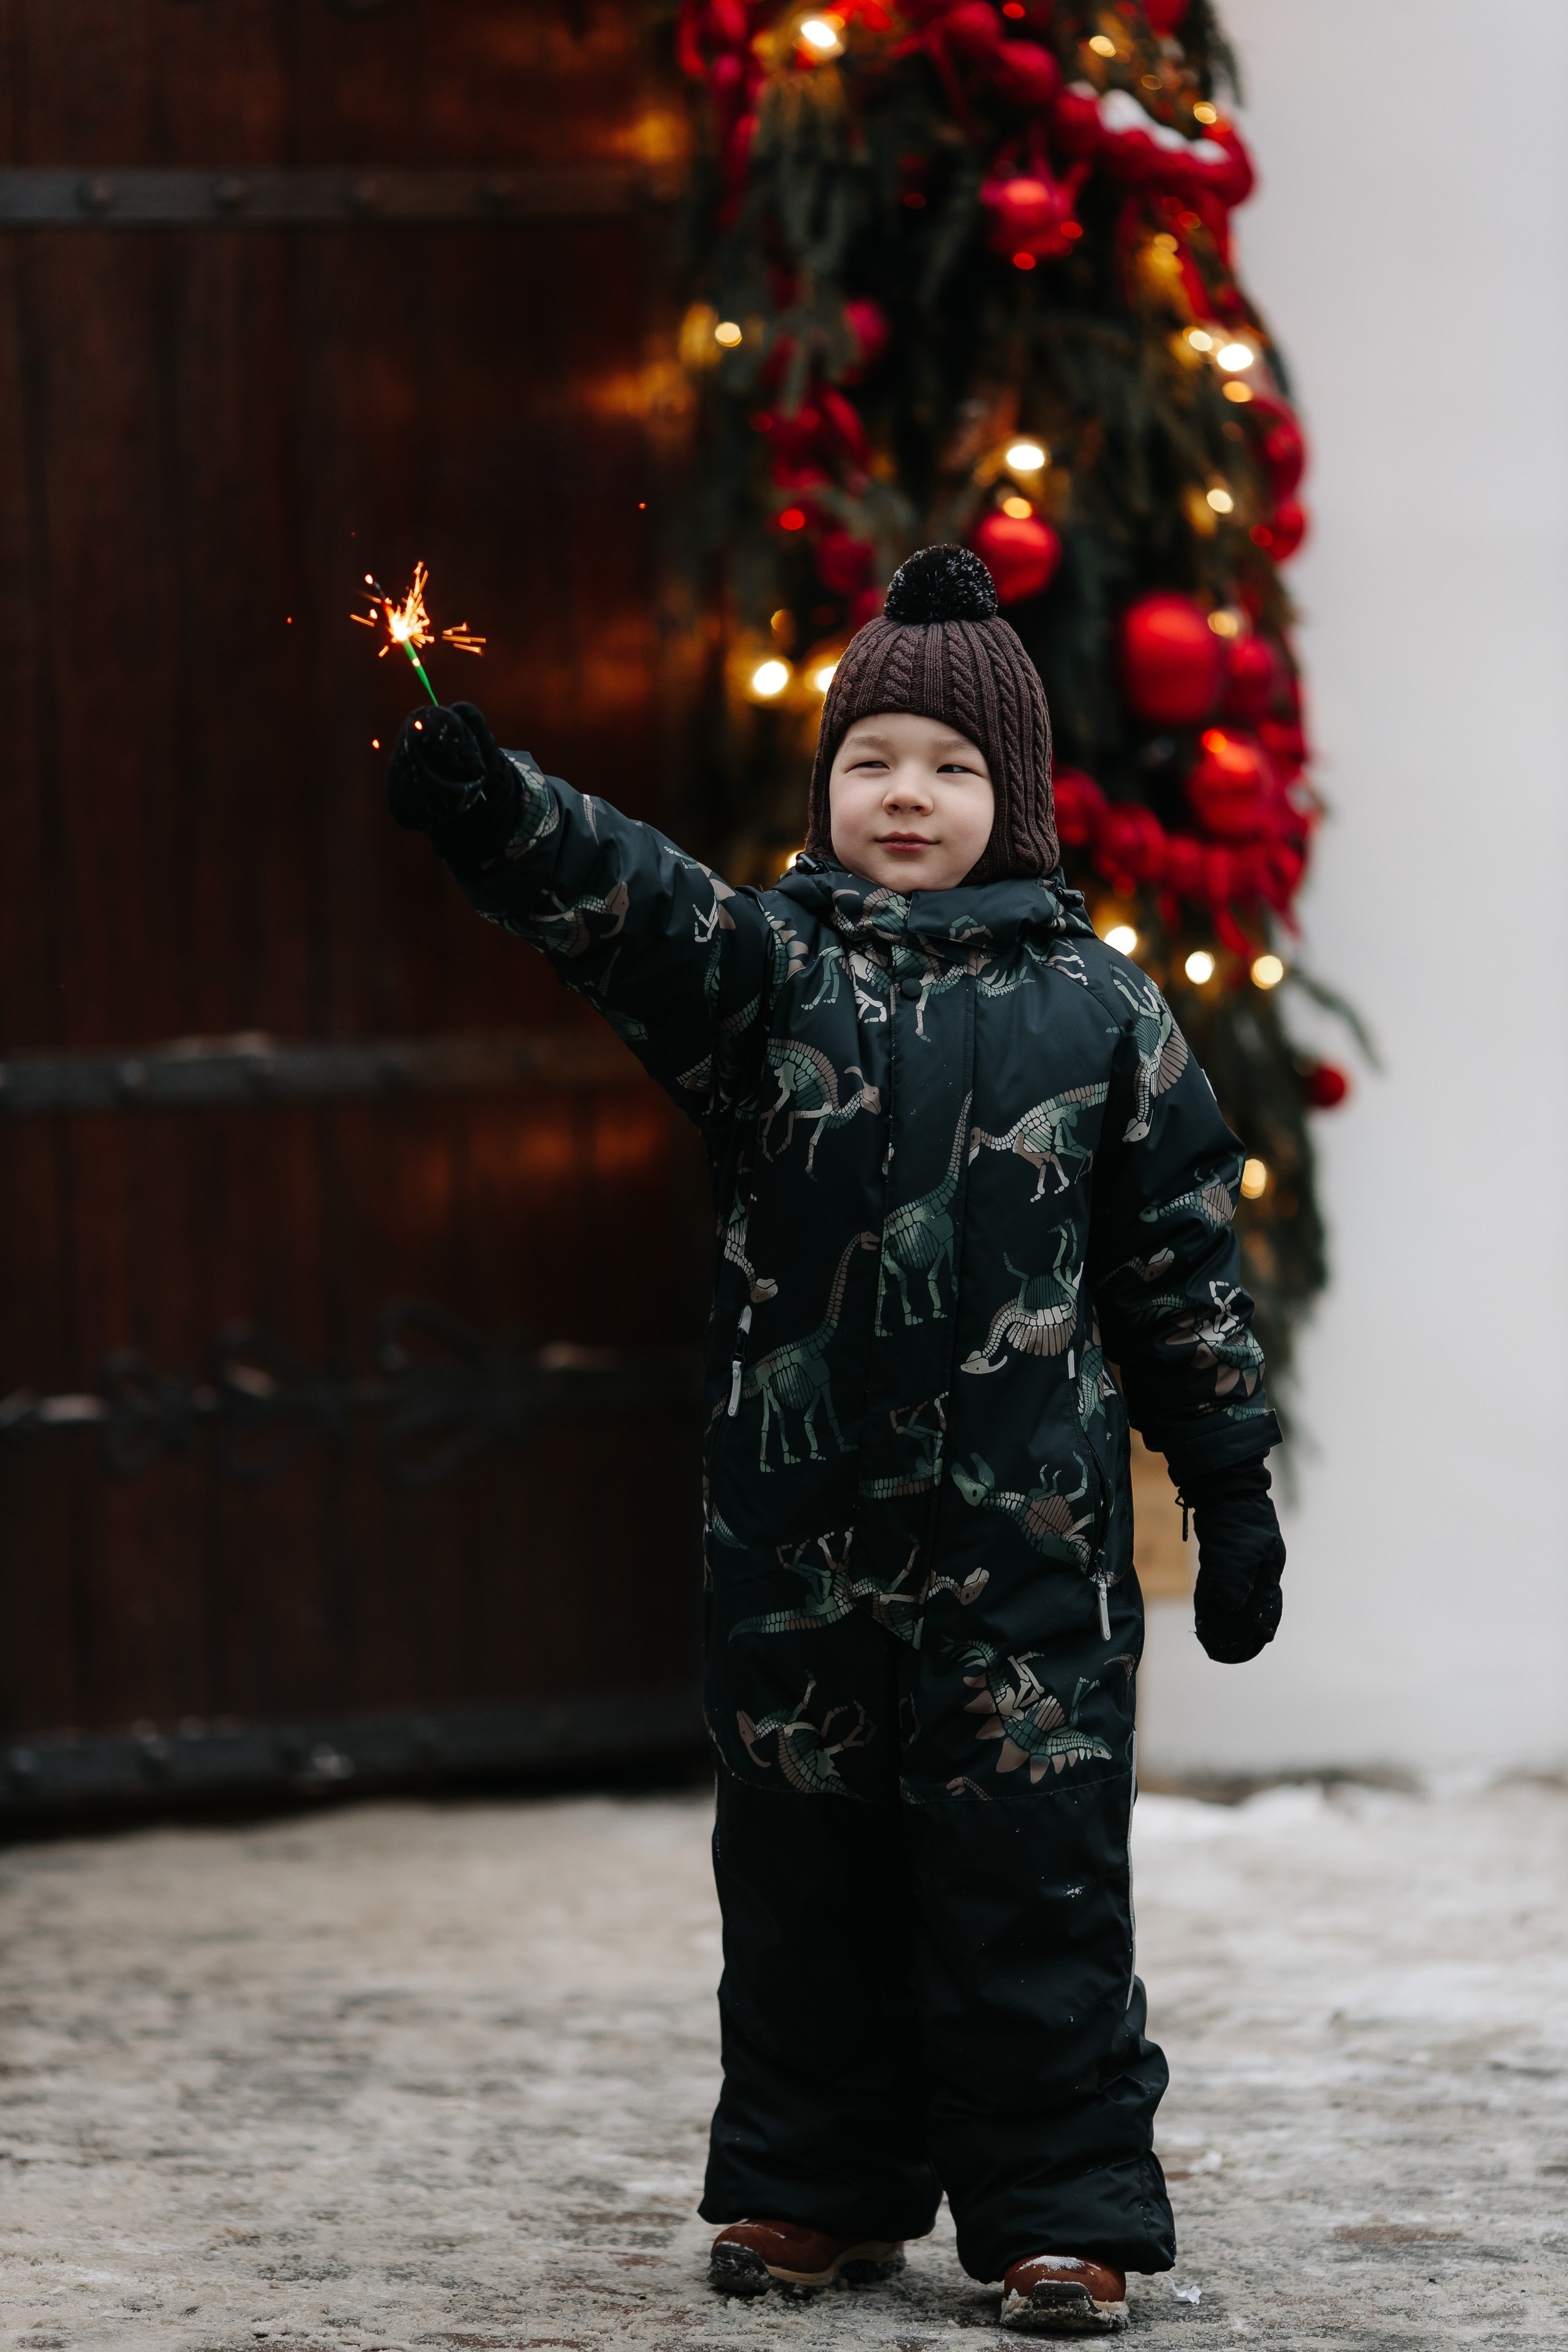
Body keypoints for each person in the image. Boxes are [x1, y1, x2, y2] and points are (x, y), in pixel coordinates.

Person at [386, 544, 1285, 2337]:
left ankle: (1063, 2213)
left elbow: (1179, 1264)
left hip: (1022, 1567)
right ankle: (815, 2188)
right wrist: (498, 810)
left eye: (953, 769)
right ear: (828, 787)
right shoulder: (764, 977)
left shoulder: (1103, 1015)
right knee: (804, 1880)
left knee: (1031, 1878)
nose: (908, 795)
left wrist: (1231, 1480)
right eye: (875, 759)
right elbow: (625, 897)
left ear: (1012, 803)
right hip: (792, 1551)